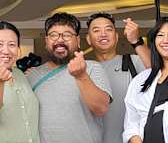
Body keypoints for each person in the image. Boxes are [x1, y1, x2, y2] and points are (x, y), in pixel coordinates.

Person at [27, 12, 112, 143]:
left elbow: (101, 108)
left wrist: (81, 76)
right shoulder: (32, 75)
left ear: (78, 41)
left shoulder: (92, 68)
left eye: (67, 35)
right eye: (53, 35)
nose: (60, 40)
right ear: (46, 41)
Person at [86, 13, 151, 143]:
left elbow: (158, 72)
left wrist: (136, 41)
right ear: (88, 39)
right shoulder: (83, 71)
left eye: (108, 29)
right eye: (96, 30)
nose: (103, 34)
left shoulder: (132, 62)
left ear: (116, 37)